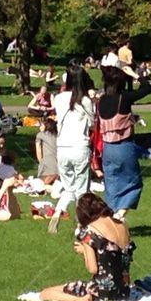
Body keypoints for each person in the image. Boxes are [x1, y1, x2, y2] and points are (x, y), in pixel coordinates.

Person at [39, 193, 134, 301]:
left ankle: (81, 300)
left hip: (101, 292)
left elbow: (92, 269)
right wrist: (85, 250)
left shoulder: (89, 231)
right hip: (124, 291)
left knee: (45, 293)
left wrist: (85, 247)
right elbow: (113, 255)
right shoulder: (123, 226)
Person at [97, 65, 151, 220]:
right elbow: (148, 88)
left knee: (111, 185)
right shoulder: (124, 98)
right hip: (124, 146)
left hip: (107, 148)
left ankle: (110, 215)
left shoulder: (101, 100)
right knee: (133, 183)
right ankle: (119, 215)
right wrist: (135, 74)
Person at [50, 63, 95, 232]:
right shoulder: (85, 101)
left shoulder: (59, 98)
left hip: (62, 146)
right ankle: (81, 225)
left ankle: (57, 212)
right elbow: (91, 124)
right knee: (82, 189)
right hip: (80, 146)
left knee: (68, 186)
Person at [34, 117, 59, 185]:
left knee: (42, 182)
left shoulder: (40, 135)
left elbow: (38, 150)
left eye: (41, 125)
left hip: (47, 164)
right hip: (58, 164)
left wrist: (40, 162)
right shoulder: (57, 135)